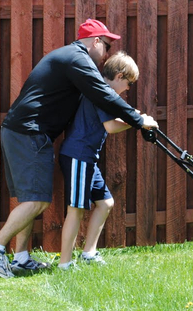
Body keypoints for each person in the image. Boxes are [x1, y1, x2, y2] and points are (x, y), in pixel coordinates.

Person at [0, 19, 159, 278]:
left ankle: (20, 257)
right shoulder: (77, 58)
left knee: (31, 197)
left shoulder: (69, 57)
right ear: (95, 41)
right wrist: (138, 120)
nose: (106, 55)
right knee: (37, 200)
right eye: (106, 46)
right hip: (29, 132)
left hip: (26, 131)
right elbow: (104, 95)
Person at [57, 51, 138, 270]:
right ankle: (65, 264)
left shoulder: (100, 92)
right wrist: (138, 122)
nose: (128, 89)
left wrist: (132, 118)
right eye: (129, 83)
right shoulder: (102, 93)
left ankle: (89, 253)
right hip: (78, 155)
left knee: (105, 203)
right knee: (76, 209)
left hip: (87, 158)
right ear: (119, 76)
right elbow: (111, 127)